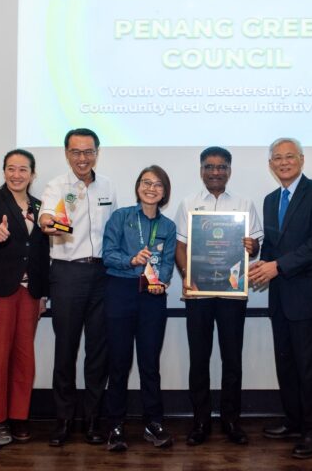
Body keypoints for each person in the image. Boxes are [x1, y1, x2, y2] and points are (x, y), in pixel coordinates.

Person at [248, 138, 312, 460]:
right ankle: (295, 421)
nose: (283, 162)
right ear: (270, 164)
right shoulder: (271, 199)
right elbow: (274, 244)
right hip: (281, 297)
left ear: (301, 159)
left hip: (310, 296)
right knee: (287, 365)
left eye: (289, 157)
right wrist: (261, 260)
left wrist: (277, 266)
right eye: (277, 158)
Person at [173, 146, 263, 446]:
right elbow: (181, 246)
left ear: (229, 170)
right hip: (198, 294)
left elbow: (255, 246)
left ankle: (231, 421)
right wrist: (188, 275)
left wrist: (253, 247)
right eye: (210, 167)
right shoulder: (187, 203)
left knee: (231, 360)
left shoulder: (244, 203)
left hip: (232, 294)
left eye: (222, 167)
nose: (215, 172)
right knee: (198, 360)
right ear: (201, 170)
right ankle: (200, 422)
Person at [39, 128, 117, 446]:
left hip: (103, 275)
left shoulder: (109, 186)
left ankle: (93, 420)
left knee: (98, 352)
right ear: (66, 153)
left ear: (97, 153)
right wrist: (49, 222)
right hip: (67, 274)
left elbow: (114, 232)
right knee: (66, 349)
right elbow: (46, 217)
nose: (82, 158)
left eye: (88, 152)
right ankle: (64, 420)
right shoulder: (56, 186)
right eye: (76, 152)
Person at [0, 149, 50, 447]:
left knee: (23, 358)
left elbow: (43, 253)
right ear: (4, 171)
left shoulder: (41, 206)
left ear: (33, 174)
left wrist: (43, 293)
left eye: (23, 169)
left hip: (28, 293)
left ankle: (18, 415)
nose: (16, 175)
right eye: (11, 169)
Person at [102, 165, 177, 452]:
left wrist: (162, 282)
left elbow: (167, 263)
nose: (151, 188)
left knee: (149, 363)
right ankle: (116, 425)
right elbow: (108, 254)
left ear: (164, 192)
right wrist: (131, 261)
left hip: (152, 297)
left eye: (158, 184)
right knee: (119, 363)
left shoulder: (168, 227)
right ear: (137, 187)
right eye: (146, 182)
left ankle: (153, 422)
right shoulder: (120, 217)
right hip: (120, 291)